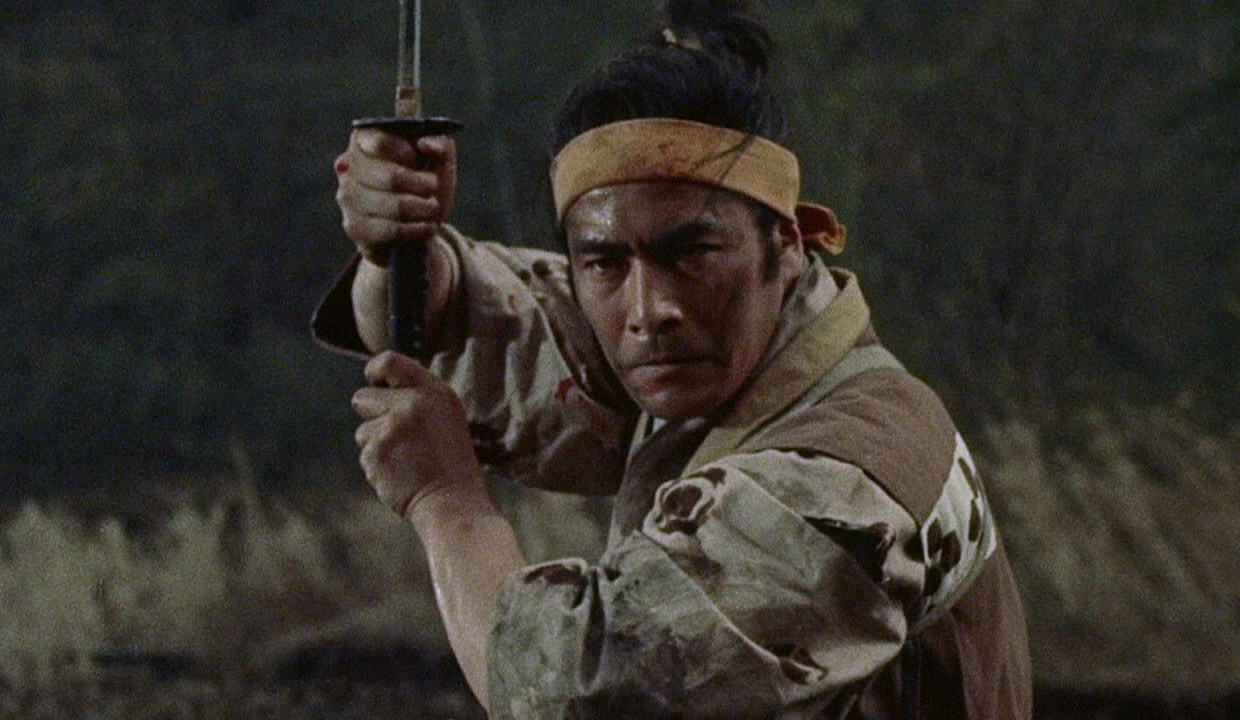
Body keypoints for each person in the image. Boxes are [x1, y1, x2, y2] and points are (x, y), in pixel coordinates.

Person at [314, 1, 1031, 717]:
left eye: (690, 253)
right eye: (605, 262)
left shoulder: (842, 474)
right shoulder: (731, 354)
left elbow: (572, 693)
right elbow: (477, 326)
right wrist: (398, 242)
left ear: (785, 244)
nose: (647, 309)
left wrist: (449, 505)